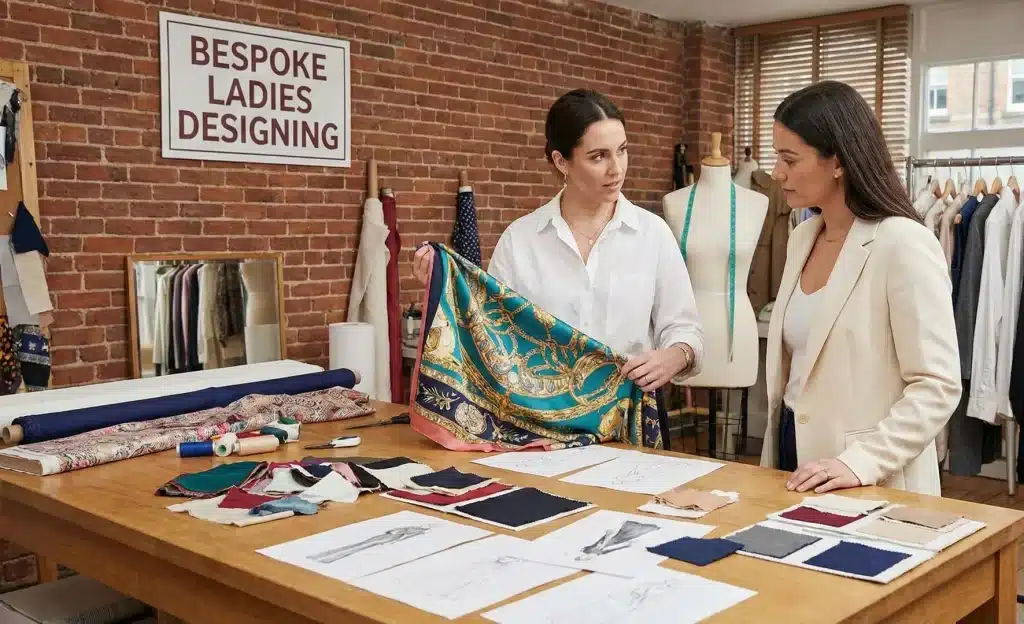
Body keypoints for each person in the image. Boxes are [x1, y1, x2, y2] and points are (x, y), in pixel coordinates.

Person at [413, 88, 704, 392]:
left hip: (631, 418)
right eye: (598, 156)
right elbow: (488, 334)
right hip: (541, 422)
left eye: (622, 150)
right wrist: (442, 284)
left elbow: (685, 329)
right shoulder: (520, 241)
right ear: (562, 161)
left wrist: (676, 355)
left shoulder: (653, 235)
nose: (616, 169)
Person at [760, 80, 961, 496]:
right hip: (790, 452)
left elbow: (938, 385)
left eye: (789, 159)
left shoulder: (902, 242)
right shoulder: (803, 237)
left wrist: (861, 462)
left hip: (868, 472)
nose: (776, 172)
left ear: (837, 162)